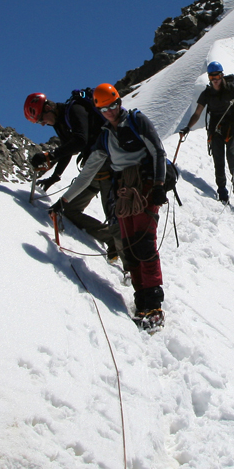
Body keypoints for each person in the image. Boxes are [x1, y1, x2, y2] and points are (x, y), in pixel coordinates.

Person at [52, 84, 168, 330]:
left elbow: (158, 151)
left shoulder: (137, 121)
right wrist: (65, 201)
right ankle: (141, 301)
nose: (110, 111)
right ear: (99, 110)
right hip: (124, 192)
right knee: (129, 246)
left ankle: (155, 305)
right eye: (104, 109)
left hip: (145, 187)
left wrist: (158, 185)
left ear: (119, 102)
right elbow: (87, 173)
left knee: (144, 244)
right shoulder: (105, 136)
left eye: (113, 105)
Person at [24, 91, 120, 262]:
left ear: (48, 107)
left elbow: (80, 141)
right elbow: (68, 148)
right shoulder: (60, 122)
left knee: (114, 219)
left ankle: (132, 269)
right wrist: (55, 176)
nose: (42, 124)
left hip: (108, 167)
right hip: (93, 171)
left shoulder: (75, 110)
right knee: (69, 209)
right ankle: (111, 240)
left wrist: (51, 156)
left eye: (40, 119)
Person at [180, 61, 234, 203]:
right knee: (218, 160)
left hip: (232, 127)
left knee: (231, 155)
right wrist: (187, 127)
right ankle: (222, 190)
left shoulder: (233, 90)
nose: (215, 81)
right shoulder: (207, 93)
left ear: (222, 75)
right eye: (212, 78)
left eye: (217, 77)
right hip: (215, 129)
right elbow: (197, 113)